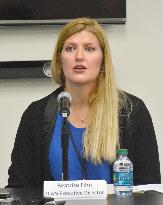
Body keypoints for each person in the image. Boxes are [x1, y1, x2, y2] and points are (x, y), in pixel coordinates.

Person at [8, 17, 161, 187]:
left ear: (103, 60)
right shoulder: (35, 114)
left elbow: (150, 188)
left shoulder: (132, 111)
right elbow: (18, 188)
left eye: (89, 49)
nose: (79, 56)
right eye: (70, 48)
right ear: (60, 59)